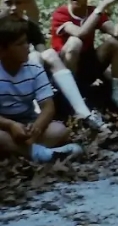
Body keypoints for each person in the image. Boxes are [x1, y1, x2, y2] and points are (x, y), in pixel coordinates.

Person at [0, 18, 81, 163]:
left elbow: (48, 106)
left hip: (27, 121)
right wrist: (10, 125)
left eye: (27, 42)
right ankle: (41, 154)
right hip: (3, 125)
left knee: (59, 130)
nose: (27, 47)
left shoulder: (34, 69)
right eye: (20, 44)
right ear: (3, 50)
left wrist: (36, 128)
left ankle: (22, 151)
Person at [50, 0, 118, 109]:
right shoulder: (61, 13)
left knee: (116, 43)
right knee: (75, 42)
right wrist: (102, 5)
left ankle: (117, 94)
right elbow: (81, 33)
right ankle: (71, 97)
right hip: (64, 69)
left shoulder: (93, 12)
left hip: (87, 67)